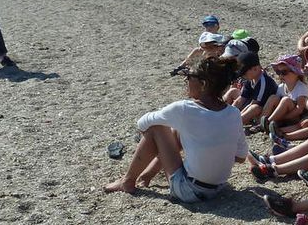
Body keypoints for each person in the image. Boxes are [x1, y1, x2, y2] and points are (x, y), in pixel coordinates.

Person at [103, 55, 248, 203]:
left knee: (156, 128)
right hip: (219, 188)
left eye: (189, 76)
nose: (186, 80)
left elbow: (142, 124)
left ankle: (127, 181)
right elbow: (241, 157)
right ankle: (146, 176)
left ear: (203, 84)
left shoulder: (184, 109)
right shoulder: (233, 113)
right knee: (180, 132)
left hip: (189, 191)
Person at [258, 54, 308, 132]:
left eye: (284, 72)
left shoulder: (301, 87)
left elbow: (299, 110)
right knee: (273, 97)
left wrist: (282, 117)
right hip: (283, 117)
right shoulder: (281, 87)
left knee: (286, 100)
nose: (281, 75)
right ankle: (261, 122)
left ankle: (266, 123)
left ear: (296, 73)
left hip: (295, 119)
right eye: (278, 72)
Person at [227, 49, 278, 125]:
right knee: (233, 91)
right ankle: (225, 114)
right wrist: (230, 113)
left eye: (244, 73)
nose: (243, 76)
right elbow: (241, 99)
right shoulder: (251, 79)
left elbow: (254, 104)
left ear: (256, 69)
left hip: (265, 111)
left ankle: (234, 123)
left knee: (255, 108)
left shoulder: (264, 82)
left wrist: (238, 115)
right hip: (252, 105)